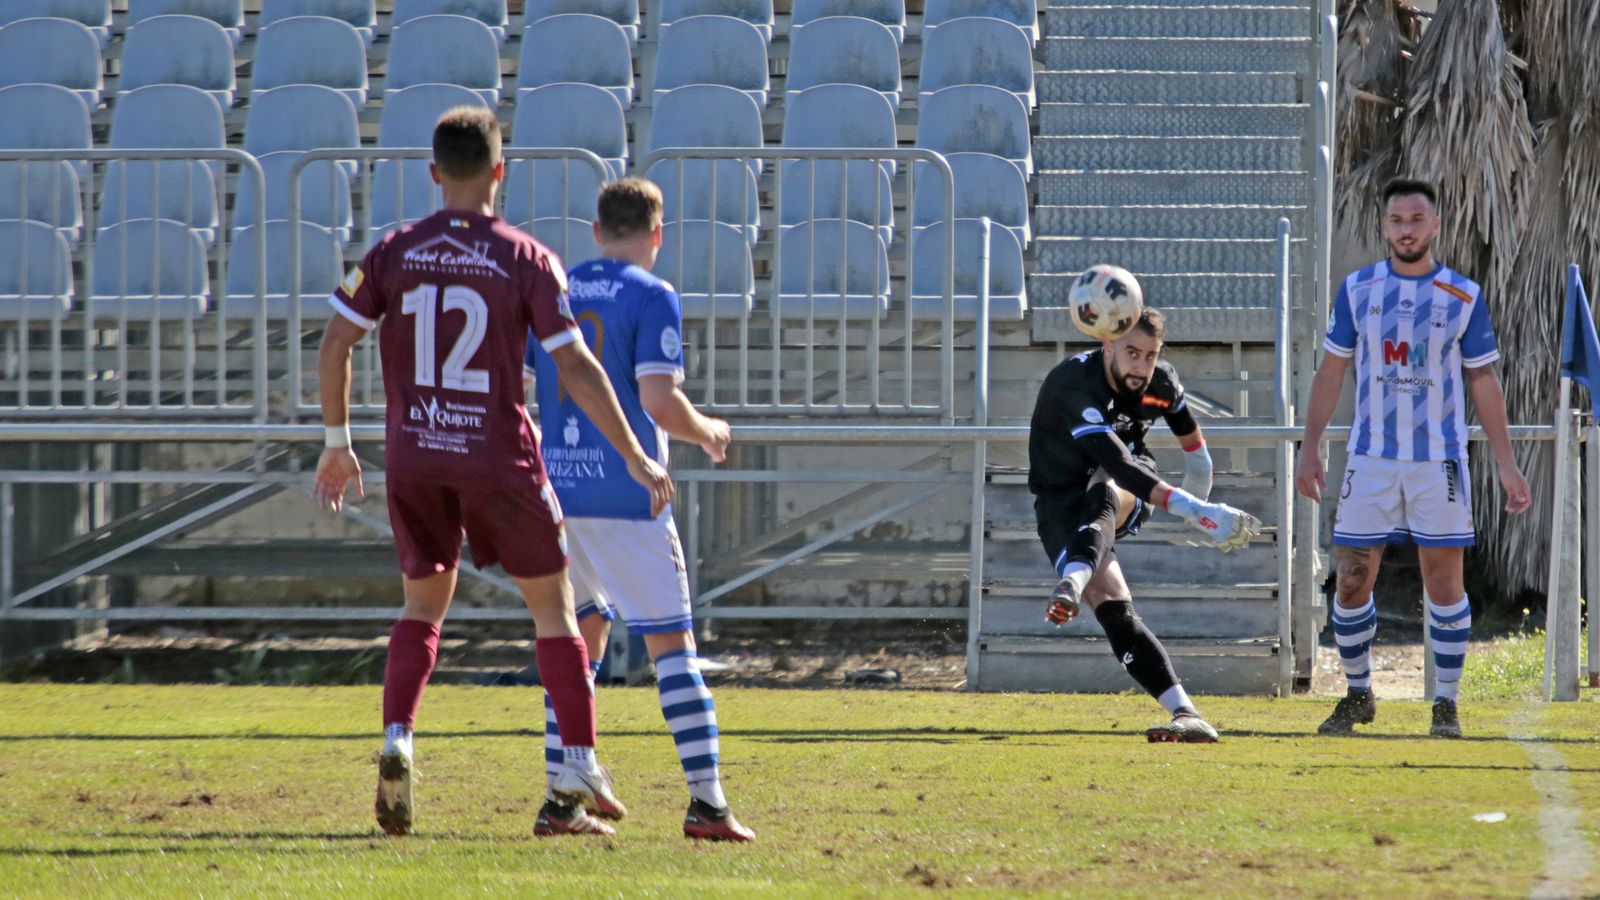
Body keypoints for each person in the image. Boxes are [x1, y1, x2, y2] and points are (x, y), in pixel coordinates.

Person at [312, 107, 674, 838]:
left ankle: (398, 737)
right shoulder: (526, 258)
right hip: (497, 456)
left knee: (422, 607)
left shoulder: (393, 251)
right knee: (556, 611)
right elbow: (576, 367)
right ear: (500, 173)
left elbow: (335, 342)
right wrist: (635, 453)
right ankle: (576, 767)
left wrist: (336, 441)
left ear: (434, 172)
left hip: (416, 452)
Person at [524, 177, 755, 842]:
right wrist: (708, 431)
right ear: (658, 233)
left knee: (576, 642)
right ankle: (707, 803)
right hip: (629, 493)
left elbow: (522, 385)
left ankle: (561, 799)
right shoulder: (653, 295)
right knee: (672, 648)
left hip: (559, 492)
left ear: (597, 231)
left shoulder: (555, 287)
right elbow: (658, 401)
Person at [1296, 177, 1531, 738]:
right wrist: (1310, 448)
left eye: (1416, 219)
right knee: (1351, 579)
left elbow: (1483, 380)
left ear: (1435, 226)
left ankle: (1445, 704)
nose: (1406, 230)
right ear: (1384, 226)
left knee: (1443, 582)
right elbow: (1331, 372)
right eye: (1397, 220)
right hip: (1370, 459)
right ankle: (1358, 694)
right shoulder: (1358, 289)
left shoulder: (1462, 296)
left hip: (1438, 462)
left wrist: (1505, 462)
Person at [1029, 307, 1260, 742]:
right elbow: (1112, 457)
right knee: (1113, 605)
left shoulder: (1162, 384)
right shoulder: (1072, 383)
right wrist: (1193, 510)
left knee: (1104, 489)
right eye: (1132, 353)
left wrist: (1201, 512)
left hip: (1126, 483)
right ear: (1108, 345)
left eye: (1150, 355)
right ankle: (1187, 714)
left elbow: (1197, 459)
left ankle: (1071, 583)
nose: (1141, 366)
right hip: (1059, 501)